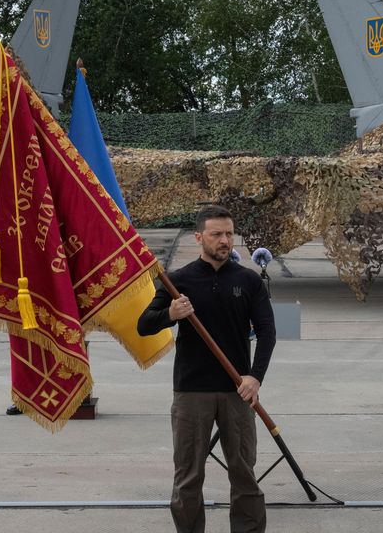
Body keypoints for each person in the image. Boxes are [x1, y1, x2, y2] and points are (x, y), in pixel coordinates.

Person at [138, 205, 276, 533]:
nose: (224, 240)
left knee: (244, 473)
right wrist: (170, 313)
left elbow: (268, 332)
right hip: (191, 392)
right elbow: (144, 325)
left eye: (229, 234)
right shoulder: (179, 281)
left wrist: (254, 377)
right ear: (199, 237)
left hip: (237, 390)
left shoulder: (248, 280)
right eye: (216, 234)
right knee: (188, 475)